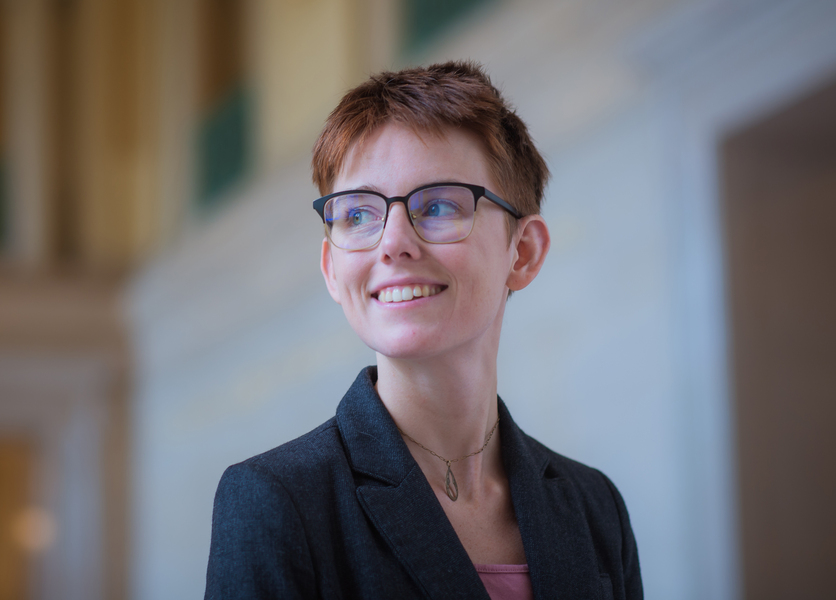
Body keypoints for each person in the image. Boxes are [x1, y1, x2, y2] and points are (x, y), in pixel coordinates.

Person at [204, 61, 642, 600]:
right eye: (359, 215)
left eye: (436, 205)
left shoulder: (595, 507)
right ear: (332, 270)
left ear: (522, 253)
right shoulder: (276, 501)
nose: (391, 242)